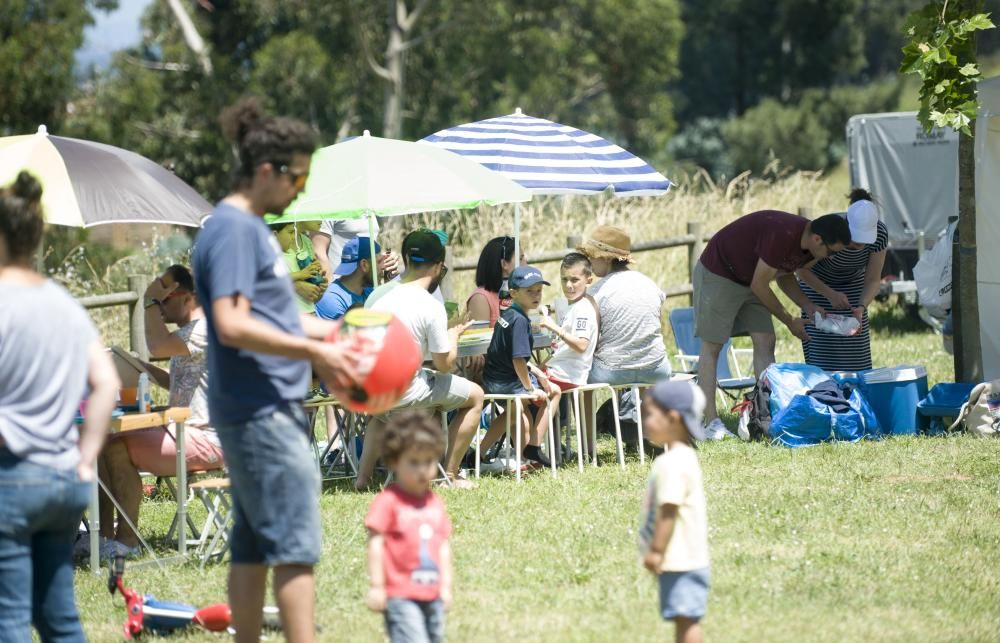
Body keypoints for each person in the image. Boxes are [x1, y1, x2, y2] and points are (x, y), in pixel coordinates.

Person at [191, 97, 393, 643]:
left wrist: (335, 335)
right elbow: (233, 323)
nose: (302, 190)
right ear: (266, 171)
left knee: (254, 543)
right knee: (295, 547)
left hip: (255, 406)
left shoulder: (246, 227)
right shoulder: (234, 230)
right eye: (298, 177)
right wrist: (319, 355)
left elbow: (272, 315)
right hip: (260, 410)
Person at [0, 171, 120, 640]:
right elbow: (106, 382)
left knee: (7, 619)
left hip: (13, 478)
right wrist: (87, 456)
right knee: (59, 618)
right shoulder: (64, 304)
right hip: (64, 478)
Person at [94, 265, 223, 560]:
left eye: (164, 301)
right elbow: (177, 379)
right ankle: (102, 537)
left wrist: (149, 298)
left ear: (187, 297)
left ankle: (126, 541)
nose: (160, 309)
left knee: (117, 448)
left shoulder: (202, 331)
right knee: (103, 444)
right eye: (158, 303)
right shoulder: (189, 335)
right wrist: (139, 367)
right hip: (186, 432)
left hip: (209, 439)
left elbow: (156, 345)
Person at [694, 211, 851, 439]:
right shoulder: (782, 235)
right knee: (713, 346)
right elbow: (761, 284)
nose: (830, 257)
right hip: (720, 272)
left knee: (766, 340)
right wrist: (789, 321)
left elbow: (784, 275)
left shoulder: (808, 248)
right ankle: (711, 422)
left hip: (751, 278)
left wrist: (808, 306)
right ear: (818, 239)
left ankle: (764, 412)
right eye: (831, 251)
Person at [359, 229, 485, 490]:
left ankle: (362, 478)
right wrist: (453, 336)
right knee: (476, 396)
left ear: (406, 258)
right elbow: (444, 365)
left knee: (381, 415)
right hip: (407, 393)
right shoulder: (430, 305)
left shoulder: (380, 299)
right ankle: (449, 474)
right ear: (439, 266)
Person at [365, 411, 453, 643]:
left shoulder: (435, 502)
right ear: (394, 461)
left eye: (428, 461)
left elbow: (442, 546)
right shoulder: (388, 502)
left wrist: (445, 585)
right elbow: (376, 544)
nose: (422, 470)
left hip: (432, 593)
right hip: (400, 594)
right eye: (413, 462)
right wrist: (377, 585)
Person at [639, 381, 710, 643]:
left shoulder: (673, 464)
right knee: (684, 618)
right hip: (687, 558)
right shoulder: (684, 457)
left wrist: (656, 551)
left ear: (673, 418)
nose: (644, 421)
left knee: (687, 620)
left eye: (649, 414)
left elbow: (668, 510)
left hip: (680, 559)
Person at [478, 266, 562, 469]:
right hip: (507, 382)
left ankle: (478, 453)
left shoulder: (507, 315)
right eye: (529, 291)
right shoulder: (520, 321)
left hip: (492, 379)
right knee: (554, 392)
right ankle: (533, 447)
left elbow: (516, 357)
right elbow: (517, 360)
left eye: (539, 291)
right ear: (514, 293)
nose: (536, 296)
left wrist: (538, 373)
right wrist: (530, 389)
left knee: (516, 411)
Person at [796, 190, 888, 371]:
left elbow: (872, 279)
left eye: (864, 240)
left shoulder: (880, 235)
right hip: (818, 288)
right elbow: (801, 270)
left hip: (854, 289)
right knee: (822, 361)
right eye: (855, 239)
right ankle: (825, 396)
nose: (859, 246)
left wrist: (861, 307)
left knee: (857, 360)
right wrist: (830, 294)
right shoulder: (830, 230)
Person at [577, 225, 672, 385]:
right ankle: (640, 408)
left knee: (578, 370)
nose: (588, 261)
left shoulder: (596, 292)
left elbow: (590, 341)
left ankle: (588, 411)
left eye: (591, 255)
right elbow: (658, 324)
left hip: (612, 372)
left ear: (606, 258)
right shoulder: (650, 284)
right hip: (657, 369)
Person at [315, 236, 380, 321]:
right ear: (364, 265)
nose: (382, 267)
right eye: (379, 262)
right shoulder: (333, 300)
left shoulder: (369, 291)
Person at [465, 236, 523, 326]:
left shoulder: (516, 292)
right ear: (504, 264)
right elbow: (480, 338)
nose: (526, 263)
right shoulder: (481, 299)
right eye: (520, 259)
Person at [273, 221, 327, 314]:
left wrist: (318, 285)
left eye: (295, 232)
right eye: (291, 232)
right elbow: (270, 279)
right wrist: (301, 275)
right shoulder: (270, 254)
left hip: (310, 311)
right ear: (274, 235)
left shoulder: (305, 242)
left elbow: (313, 297)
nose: (294, 237)